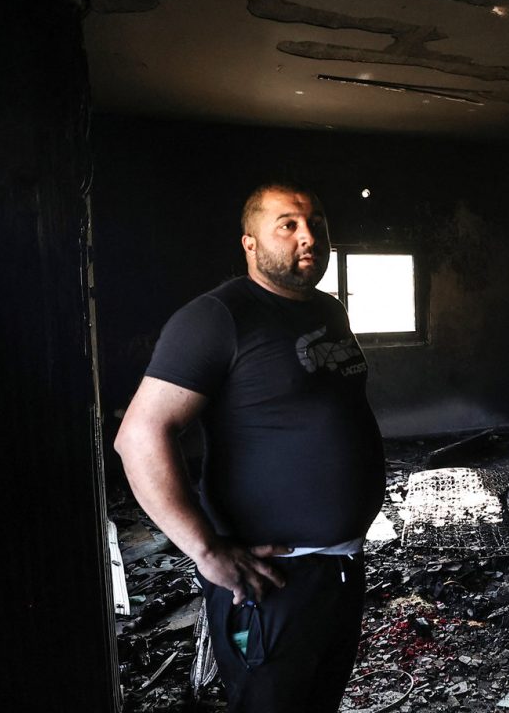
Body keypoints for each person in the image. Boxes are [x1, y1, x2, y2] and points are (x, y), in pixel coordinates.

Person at [114, 183, 385, 712]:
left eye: (317, 224)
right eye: (287, 224)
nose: (308, 237)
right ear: (250, 243)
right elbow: (140, 435)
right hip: (270, 583)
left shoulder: (327, 310)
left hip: (340, 569)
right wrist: (207, 552)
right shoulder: (218, 317)